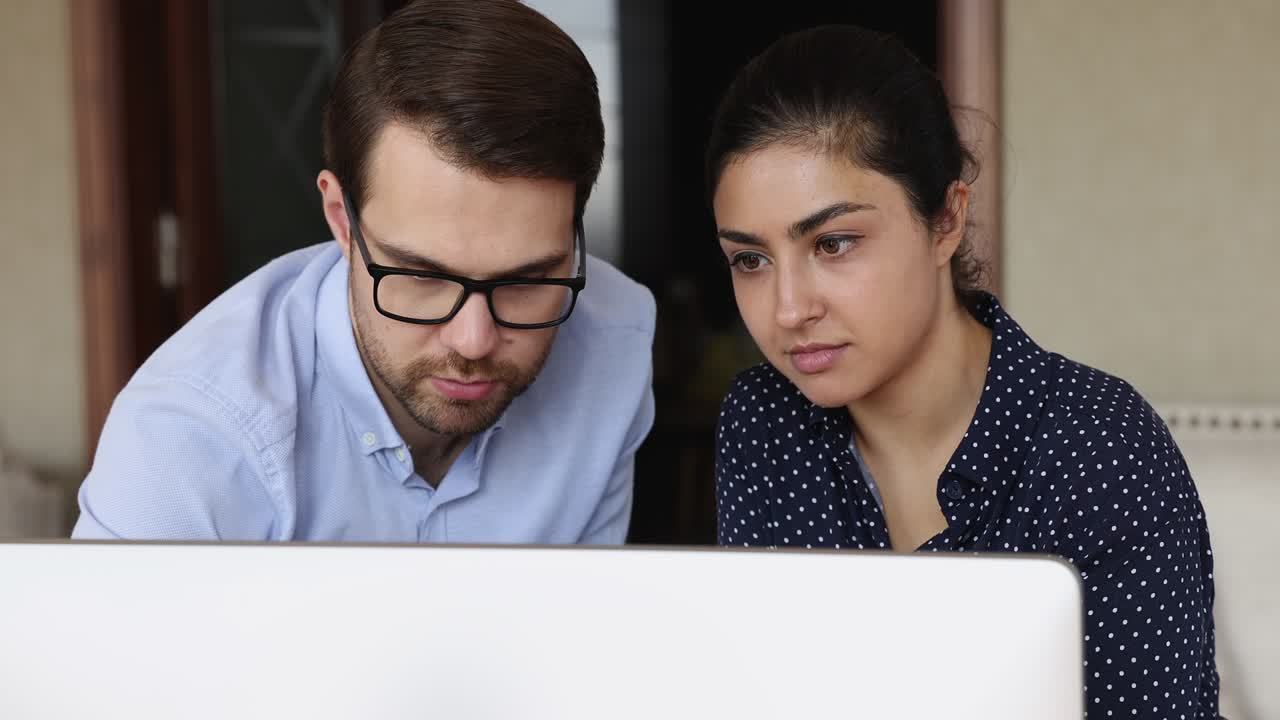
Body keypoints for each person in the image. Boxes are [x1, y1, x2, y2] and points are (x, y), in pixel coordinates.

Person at [707, 25, 1218, 718]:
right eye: (751, 260)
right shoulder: (765, 424)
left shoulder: (1103, 450)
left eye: (834, 243)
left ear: (946, 221)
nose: (788, 309)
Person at [72, 0, 655, 544]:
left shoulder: (615, 341)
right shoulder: (190, 437)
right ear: (341, 221)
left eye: (526, 282)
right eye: (423, 276)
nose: (474, 340)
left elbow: (573, 631)